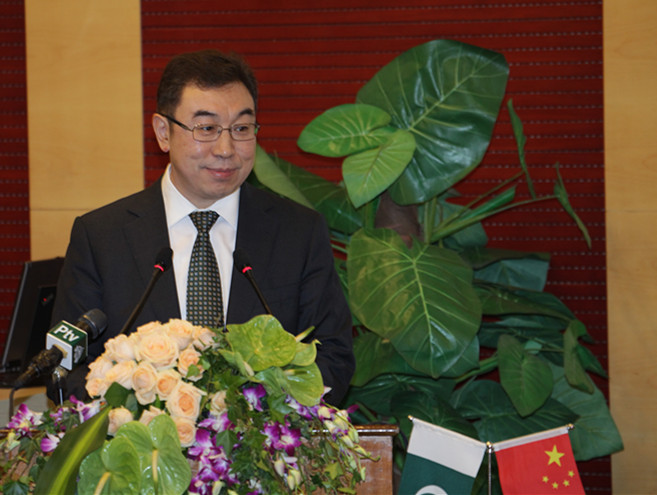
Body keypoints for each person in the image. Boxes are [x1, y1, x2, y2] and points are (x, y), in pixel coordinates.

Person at [50, 50, 355, 405]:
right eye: (206, 129)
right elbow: (65, 369)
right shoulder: (101, 237)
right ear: (163, 133)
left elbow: (333, 358)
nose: (226, 149)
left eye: (241, 129)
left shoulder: (298, 233)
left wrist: (255, 418)